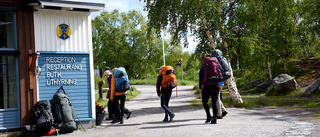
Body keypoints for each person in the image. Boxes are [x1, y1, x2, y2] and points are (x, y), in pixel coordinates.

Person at [199, 54, 222, 124]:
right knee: (214, 102)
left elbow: (200, 79)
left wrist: (200, 88)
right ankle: (214, 119)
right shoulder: (216, 65)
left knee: (204, 101)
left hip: (207, 86)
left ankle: (208, 116)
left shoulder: (203, 68)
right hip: (216, 85)